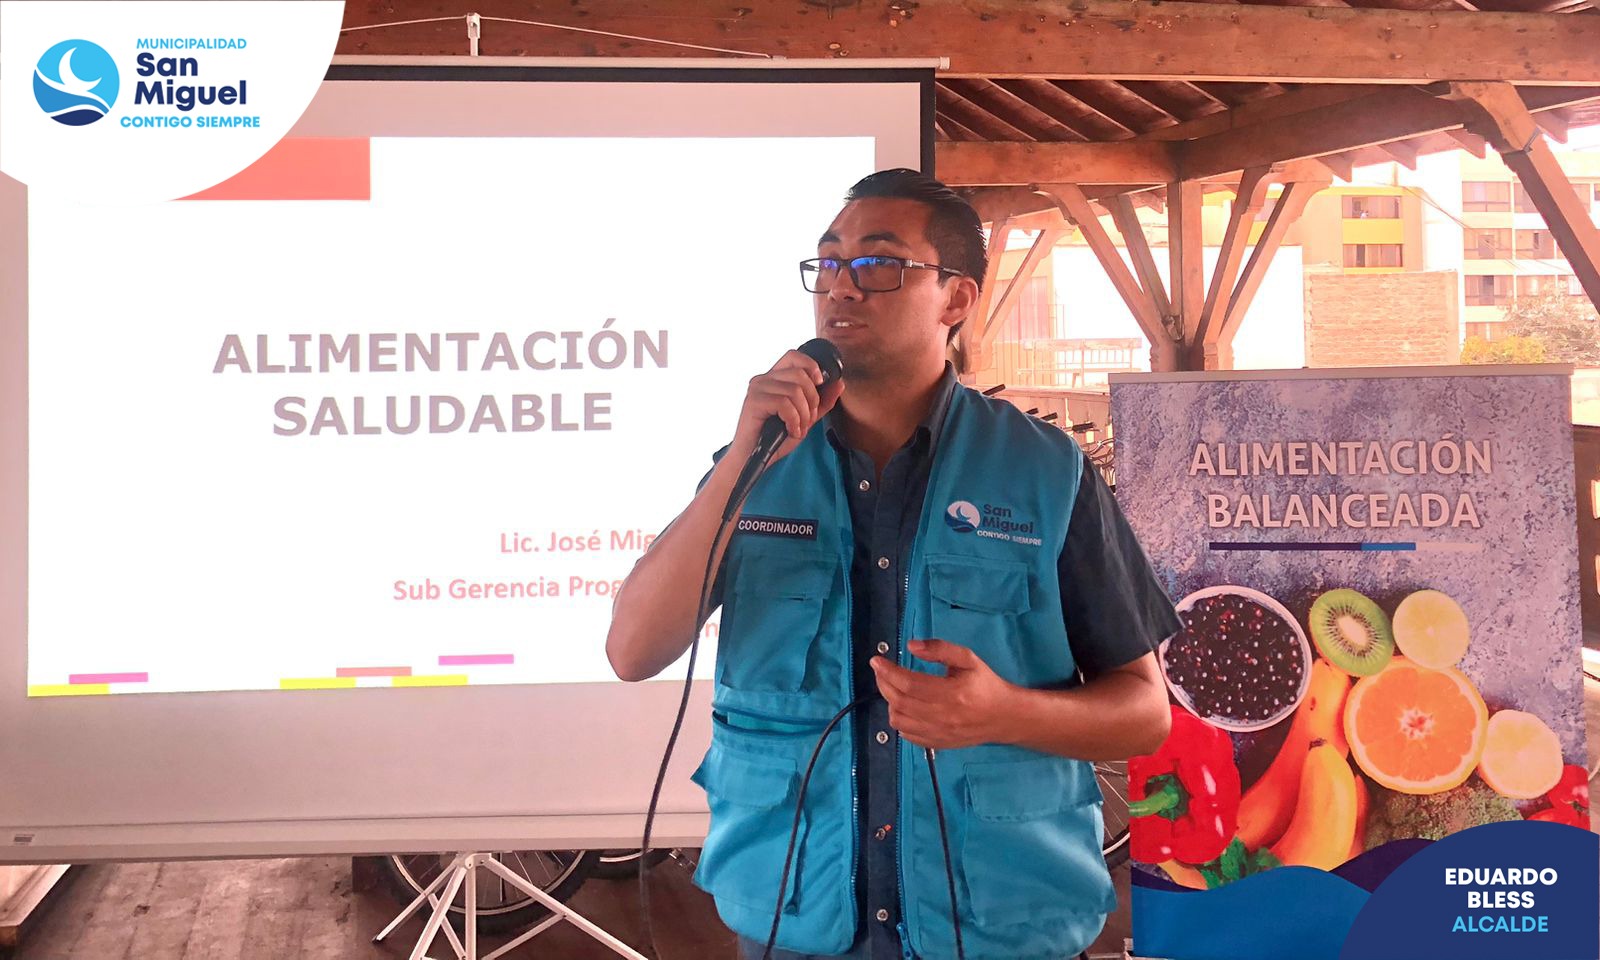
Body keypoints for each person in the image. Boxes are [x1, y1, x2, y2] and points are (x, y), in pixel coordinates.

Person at [607, 169, 1179, 960]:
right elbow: (633, 650)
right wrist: (742, 457)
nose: (841, 286)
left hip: (1000, 930)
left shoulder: (1046, 473)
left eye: (878, 264)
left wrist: (1004, 713)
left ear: (956, 300)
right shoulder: (758, 461)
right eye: (828, 263)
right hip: (794, 926)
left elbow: (1146, 714)